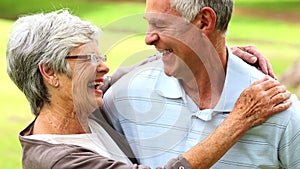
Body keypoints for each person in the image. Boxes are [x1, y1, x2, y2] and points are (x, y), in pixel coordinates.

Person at [6, 9, 292, 169]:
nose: (103, 68)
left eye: (100, 57)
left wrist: (215, 51)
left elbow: (155, 60)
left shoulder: (87, 104)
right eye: (89, 59)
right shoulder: (55, 160)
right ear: (50, 72)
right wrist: (237, 122)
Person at [103, 0, 300, 168]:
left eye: (160, 25)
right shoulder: (124, 97)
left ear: (204, 22)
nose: (148, 38)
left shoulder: (279, 110)